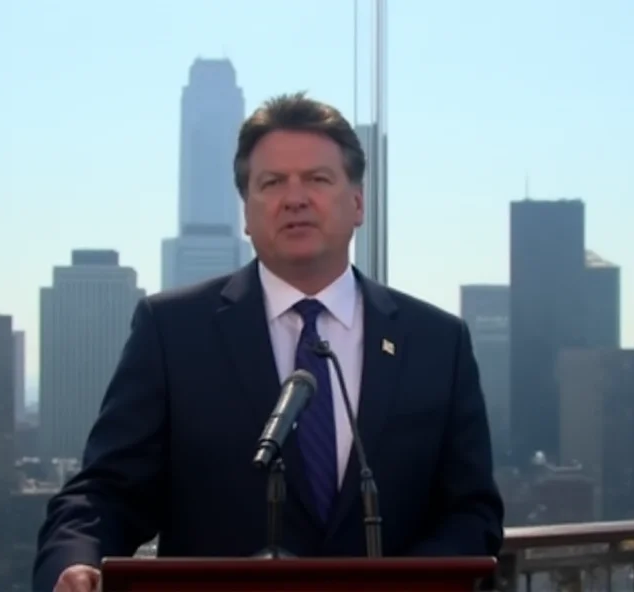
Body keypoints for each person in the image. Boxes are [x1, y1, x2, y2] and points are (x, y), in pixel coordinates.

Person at [33, 92, 504, 592]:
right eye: (272, 183)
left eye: (318, 180)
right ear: (246, 211)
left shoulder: (436, 342)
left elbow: (471, 512)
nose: (295, 198)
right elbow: (107, 491)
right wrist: (74, 561)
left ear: (358, 202)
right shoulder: (173, 330)